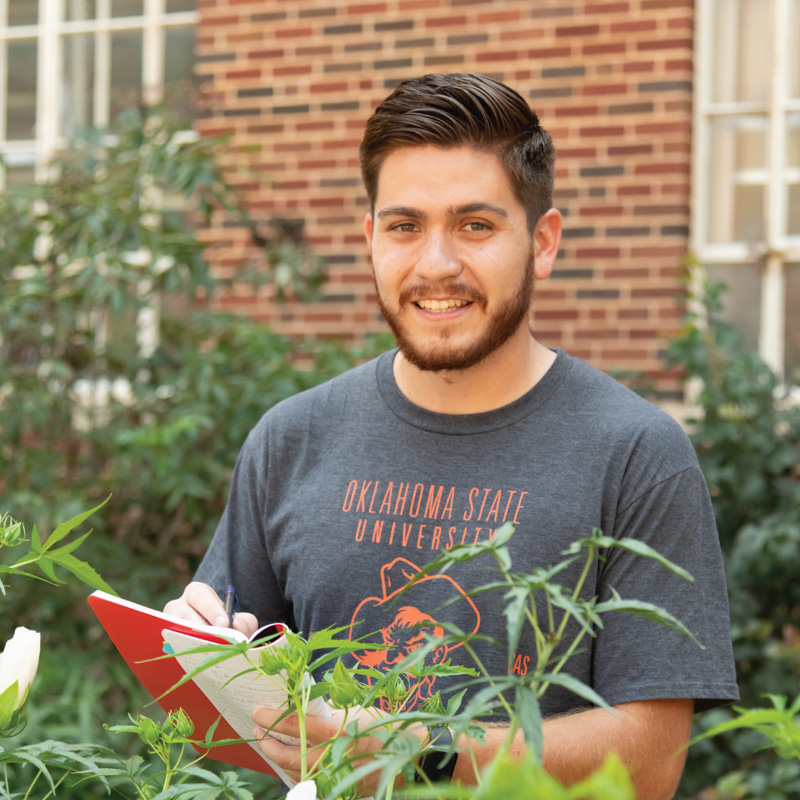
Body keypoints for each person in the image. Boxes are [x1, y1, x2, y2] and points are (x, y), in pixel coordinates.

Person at [165, 73, 738, 799]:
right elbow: (238, 722)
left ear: (543, 242)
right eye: (406, 227)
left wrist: (400, 746)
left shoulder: (635, 454)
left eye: (475, 226)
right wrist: (201, 647)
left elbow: (649, 761)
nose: (436, 264)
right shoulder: (291, 438)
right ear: (372, 240)